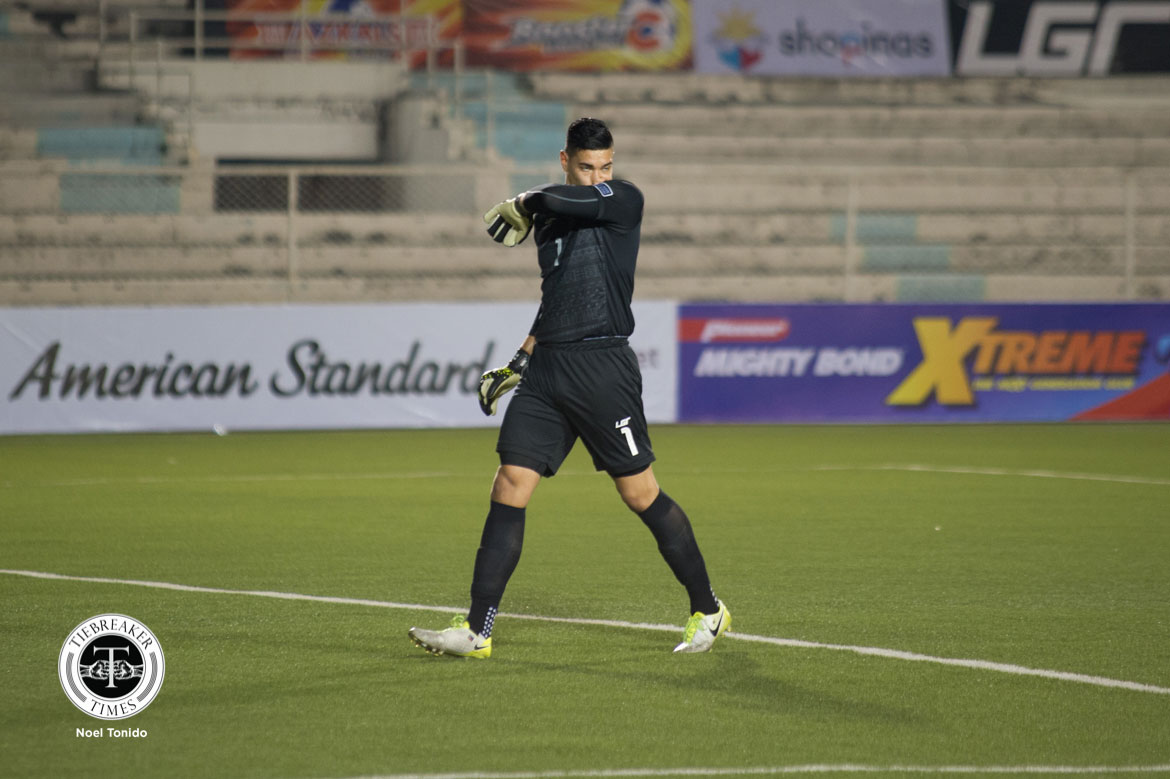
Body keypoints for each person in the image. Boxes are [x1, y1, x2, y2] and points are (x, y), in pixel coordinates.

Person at [408, 118, 729, 658]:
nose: (597, 175)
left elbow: (573, 203)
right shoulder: (551, 219)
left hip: (604, 368)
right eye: (586, 166)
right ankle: (477, 629)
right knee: (510, 482)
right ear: (565, 159)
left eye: (605, 165)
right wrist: (519, 359)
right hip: (549, 369)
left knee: (639, 493)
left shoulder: (622, 199)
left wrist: (529, 199)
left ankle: (709, 609)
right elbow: (556, 297)